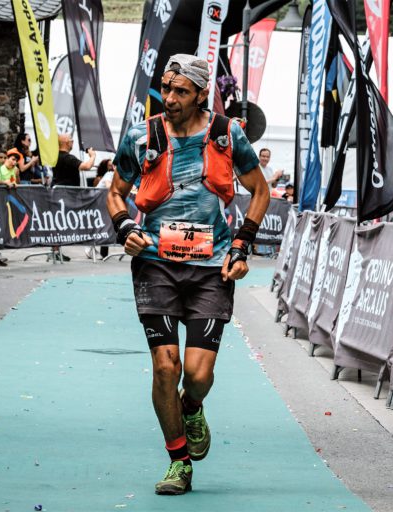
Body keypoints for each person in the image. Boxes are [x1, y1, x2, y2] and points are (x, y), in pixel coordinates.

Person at [107, 54, 270, 496]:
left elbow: (260, 190)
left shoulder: (226, 134)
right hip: (156, 264)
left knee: (197, 375)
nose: (171, 99)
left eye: (181, 91)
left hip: (211, 268)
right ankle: (179, 461)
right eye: (167, 89)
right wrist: (125, 229)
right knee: (166, 367)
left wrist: (241, 244)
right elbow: (117, 193)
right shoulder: (142, 136)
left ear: (201, 93)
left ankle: (192, 407)